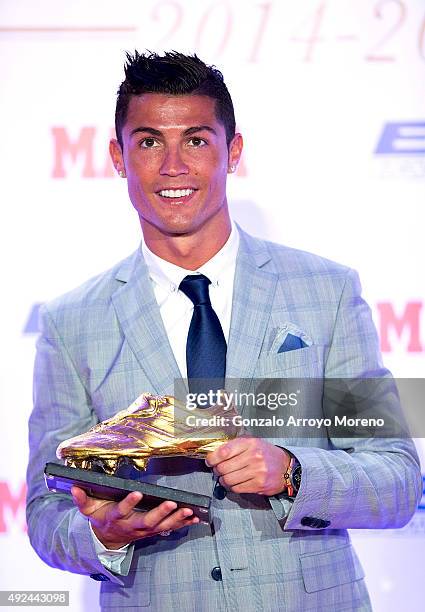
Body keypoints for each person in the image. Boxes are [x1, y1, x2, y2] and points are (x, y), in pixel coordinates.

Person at [26, 50, 421, 612]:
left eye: (195, 139)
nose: (172, 166)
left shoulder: (324, 292)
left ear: (232, 151)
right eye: (147, 142)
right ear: (117, 157)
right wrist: (105, 534)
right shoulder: (71, 322)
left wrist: (291, 473)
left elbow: (398, 482)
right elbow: (45, 512)